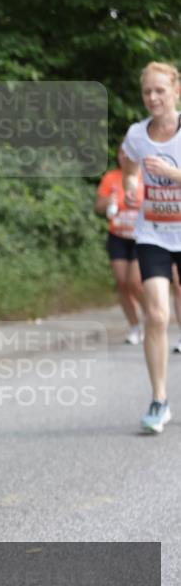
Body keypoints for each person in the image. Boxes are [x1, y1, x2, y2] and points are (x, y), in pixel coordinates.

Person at [121, 61, 181, 433]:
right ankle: (159, 400)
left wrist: (174, 174)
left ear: (176, 91)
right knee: (157, 315)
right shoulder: (136, 134)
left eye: (160, 90)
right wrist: (130, 184)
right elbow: (128, 164)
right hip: (153, 233)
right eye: (147, 92)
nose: (153, 97)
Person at [95, 145, 144, 343]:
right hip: (117, 236)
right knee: (122, 283)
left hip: (141, 236)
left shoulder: (146, 176)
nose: (123, 156)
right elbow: (97, 206)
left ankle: (153, 313)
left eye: (128, 153)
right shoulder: (111, 177)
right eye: (121, 153)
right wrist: (107, 203)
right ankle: (135, 326)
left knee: (134, 281)